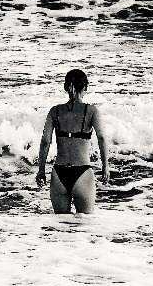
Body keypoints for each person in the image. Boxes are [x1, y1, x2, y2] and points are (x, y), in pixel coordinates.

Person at [34, 69, 109, 214]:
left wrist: (41, 169)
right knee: (85, 224)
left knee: (61, 224)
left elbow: (45, 141)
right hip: (83, 173)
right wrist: (105, 166)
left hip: (59, 174)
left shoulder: (55, 111)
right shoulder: (92, 111)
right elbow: (102, 138)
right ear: (85, 87)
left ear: (65, 87)